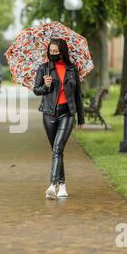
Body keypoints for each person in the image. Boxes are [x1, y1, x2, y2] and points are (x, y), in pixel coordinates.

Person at [33, 38, 85, 199]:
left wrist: (81, 117)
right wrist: (46, 85)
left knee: (58, 148)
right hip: (49, 114)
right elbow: (36, 90)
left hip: (67, 113)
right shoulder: (44, 69)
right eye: (51, 51)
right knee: (56, 151)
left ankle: (52, 185)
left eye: (56, 51)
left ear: (63, 51)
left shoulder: (72, 69)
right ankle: (62, 185)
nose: (53, 54)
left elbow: (78, 95)